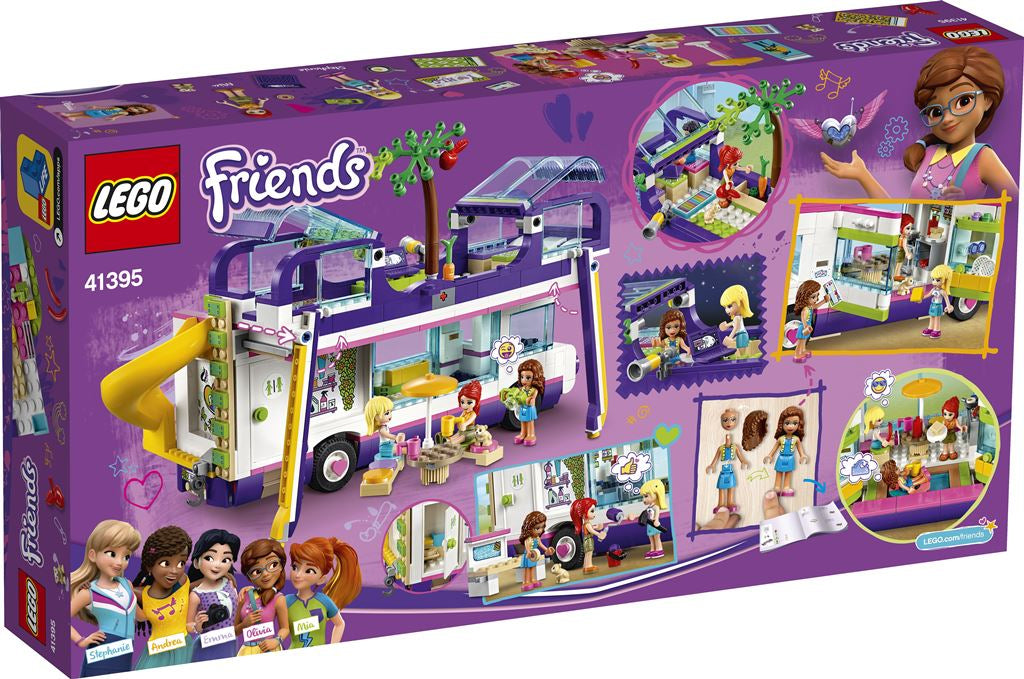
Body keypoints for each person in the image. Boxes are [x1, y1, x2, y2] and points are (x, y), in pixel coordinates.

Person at [821, 46, 1017, 199]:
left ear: (987, 100)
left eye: (963, 101)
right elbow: (898, 215)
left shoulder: (982, 157)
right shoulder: (928, 154)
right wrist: (862, 175)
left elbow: (1014, 210)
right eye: (936, 111)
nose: (948, 118)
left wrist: (968, 207)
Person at [70, 520, 141, 676]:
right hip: (102, 650)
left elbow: (141, 616)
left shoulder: (127, 584)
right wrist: (80, 640)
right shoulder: (89, 592)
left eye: (126, 556)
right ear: (93, 555)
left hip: (126, 653)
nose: (119, 562)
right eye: (112, 554)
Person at [133, 526, 195, 669]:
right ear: (150, 565)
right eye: (165, 563)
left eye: (181, 563)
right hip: (157, 653)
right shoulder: (141, 594)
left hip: (184, 649)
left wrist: (226, 577)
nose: (174, 571)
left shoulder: (183, 582)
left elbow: (202, 584)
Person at [285, 537, 362, 647]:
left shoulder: (323, 601)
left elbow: (340, 624)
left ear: (321, 579)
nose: (298, 575)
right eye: (295, 567)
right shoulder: (286, 601)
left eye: (309, 570)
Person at [187, 529, 240, 662]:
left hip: (230, 643)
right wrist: (197, 626)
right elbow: (188, 625)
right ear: (196, 562)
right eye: (209, 558)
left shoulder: (230, 583)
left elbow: (238, 610)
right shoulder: (196, 594)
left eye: (225, 559)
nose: (217, 565)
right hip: (207, 646)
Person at [236, 539, 290, 655]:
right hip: (247, 650)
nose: (265, 574)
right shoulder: (245, 595)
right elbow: (234, 631)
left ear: (281, 566)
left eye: (273, 565)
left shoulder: (279, 599)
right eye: (256, 571)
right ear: (249, 577)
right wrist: (244, 624)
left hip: (268, 649)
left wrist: (276, 640)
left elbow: (285, 628)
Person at [763, 407, 810, 497]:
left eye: (795, 423)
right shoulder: (780, 439)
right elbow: (774, 449)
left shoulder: (796, 439)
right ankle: (777, 486)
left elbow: (800, 449)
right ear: (782, 424)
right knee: (779, 472)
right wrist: (770, 455)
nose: (790, 426)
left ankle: (786, 487)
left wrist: (802, 455)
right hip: (781, 458)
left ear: (799, 425)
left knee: (788, 472)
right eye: (787, 423)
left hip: (790, 458)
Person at [569, 498, 607, 575]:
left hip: (587, 540)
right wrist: (598, 534)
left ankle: (586, 566)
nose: (594, 514)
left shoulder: (586, 524)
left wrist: (598, 527)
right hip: (588, 540)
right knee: (589, 553)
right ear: (584, 513)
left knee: (588, 553)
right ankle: (588, 566)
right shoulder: (587, 524)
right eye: (592, 511)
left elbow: (592, 528)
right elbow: (591, 530)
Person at [518, 511, 554, 592]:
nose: (540, 530)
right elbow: (527, 546)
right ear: (529, 528)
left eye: (542, 527)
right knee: (527, 568)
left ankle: (533, 579)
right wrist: (528, 552)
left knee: (533, 567)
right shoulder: (528, 538)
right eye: (537, 528)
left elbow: (540, 544)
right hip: (528, 555)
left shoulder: (537, 538)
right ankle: (526, 581)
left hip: (534, 556)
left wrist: (547, 549)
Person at [792, 280, 826, 363]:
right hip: (804, 328)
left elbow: (816, 306)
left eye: (817, 295)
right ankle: (797, 354)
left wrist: (824, 301)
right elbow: (803, 318)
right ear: (805, 297)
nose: (816, 299)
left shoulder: (810, 306)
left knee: (804, 340)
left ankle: (803, 350)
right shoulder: (805, 309)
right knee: (800, 341)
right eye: (813, 297)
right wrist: (806, 326)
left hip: (808, 327)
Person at [719, 284, 755, 358]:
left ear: (740, 302)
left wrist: (730, 337)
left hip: (741, 335)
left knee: (742, 354)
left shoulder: (737, 317)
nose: (727, 310)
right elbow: (734, 323)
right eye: (725, 307)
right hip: (741, 335)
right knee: (740, 352)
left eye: (729, 306)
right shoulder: (738, 317)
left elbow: (735, 328)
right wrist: (727, 325)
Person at [924, 265, 954, 339]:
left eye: (937, 280)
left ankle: (937, 330)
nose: (934, 282)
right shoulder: (933, 289)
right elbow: (928, 295)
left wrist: (948, 306)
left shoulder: (942, 291)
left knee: (937, 318)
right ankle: (930, 328)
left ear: (944, 280)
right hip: (932, 305)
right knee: (931, 316)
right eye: (933, 279)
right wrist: (920, 298)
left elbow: (946, 299)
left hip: (938, 306)